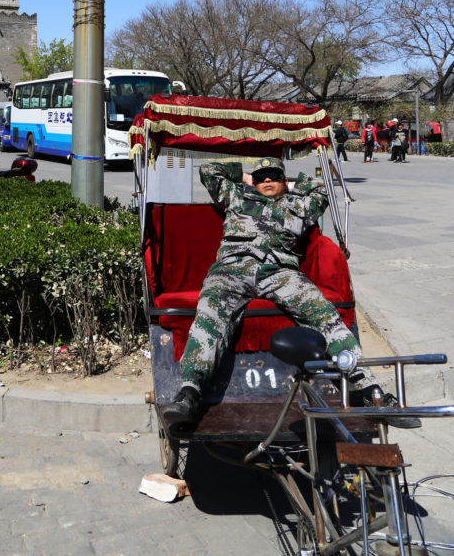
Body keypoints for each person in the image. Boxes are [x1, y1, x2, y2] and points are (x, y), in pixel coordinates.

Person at [163, 157, 418, 429]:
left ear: (285, 181)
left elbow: (322, 189)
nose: (267, 180)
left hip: (280, 273)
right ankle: (190, 391)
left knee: (323, 313)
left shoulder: (299, 205)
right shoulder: (236, 196)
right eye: (262, 177)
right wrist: (245, 177)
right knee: (211, 311)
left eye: (273, 175)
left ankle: (369, 390)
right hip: (232, 269)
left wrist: (293, 184)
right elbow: (208, 169)